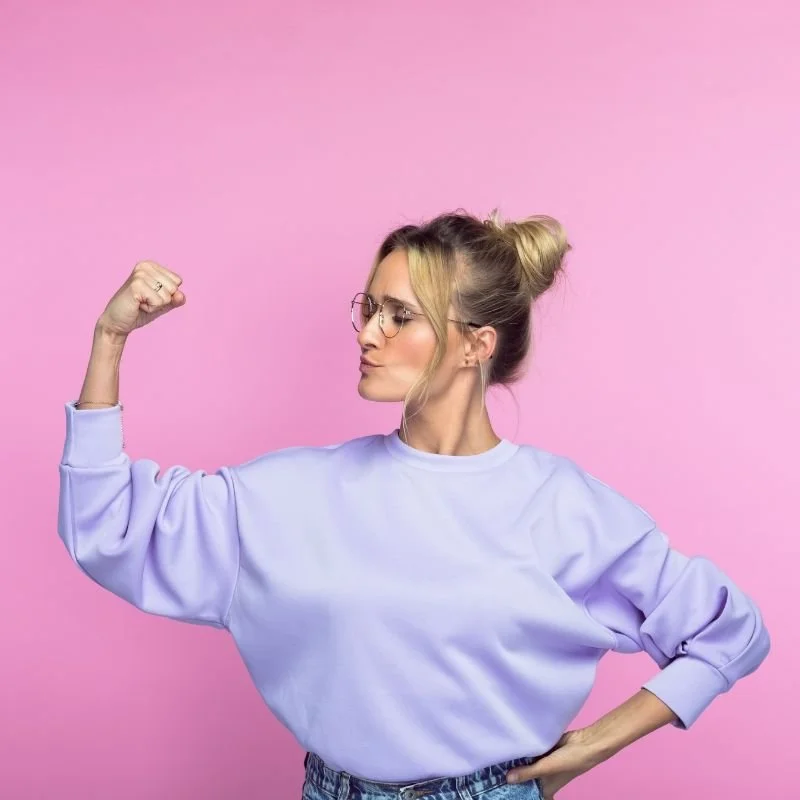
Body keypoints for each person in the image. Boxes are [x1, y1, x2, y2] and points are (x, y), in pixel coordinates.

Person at [58, 209, 770, 800]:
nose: (368, 332)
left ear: (475, 345)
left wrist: (591, 748)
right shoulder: (291, 493)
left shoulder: (564, 509)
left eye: (400, 315)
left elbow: (727, 634)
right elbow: (109, 526)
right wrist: (109, 337)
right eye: (369, 308)